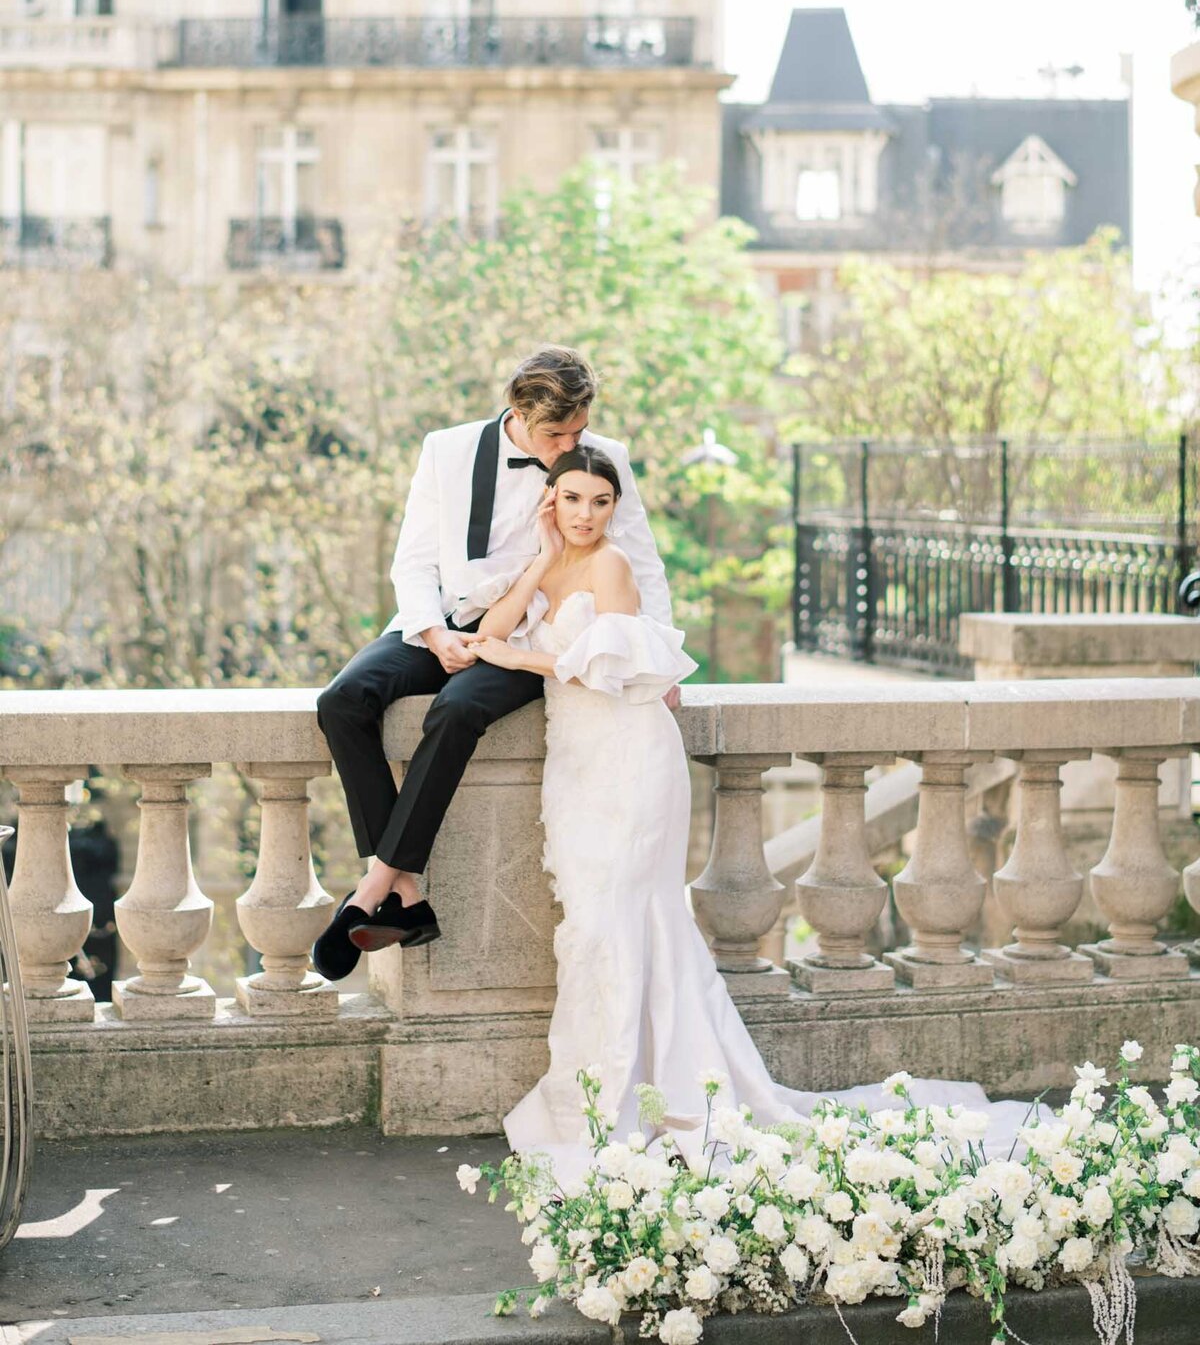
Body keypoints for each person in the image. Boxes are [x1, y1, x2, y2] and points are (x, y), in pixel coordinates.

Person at [466, 445, 1038, 1171]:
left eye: (599, 501)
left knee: (628, 922)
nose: (585, 515)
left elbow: (611, 668)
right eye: (571, 499)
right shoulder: (554, 560)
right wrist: (538, 557)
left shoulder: (612, 565)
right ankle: (600, 1094)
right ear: (552, 501)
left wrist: (522, 660)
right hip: (574, 768)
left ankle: (645, 1099)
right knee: (590, 930)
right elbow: (490, 629)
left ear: (616, 507)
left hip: (628, 760)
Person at [311, 346, 675, 983]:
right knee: (341, 701)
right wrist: (432, 632)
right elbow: (414, 559)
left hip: (527, 632)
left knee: (457, 710)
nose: (568, 445)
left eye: (578, 431)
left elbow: (641, 561)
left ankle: (373, 890)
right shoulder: (446, 450)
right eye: (554, 433)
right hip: (442, 620)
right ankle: (409, 891)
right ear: (516, 412)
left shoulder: (603, 459)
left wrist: (660, 662)